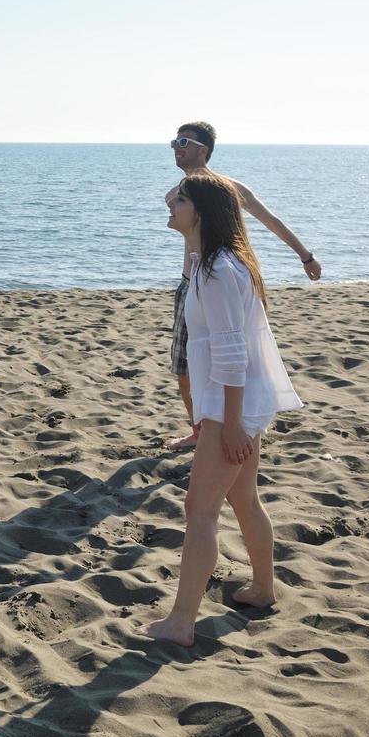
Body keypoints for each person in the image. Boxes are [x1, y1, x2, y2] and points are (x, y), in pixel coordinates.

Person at [142, 173, 303, 646]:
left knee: (200, 509)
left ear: (204, 213)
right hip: (239, 403)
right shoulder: (208, 262)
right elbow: (174, 203)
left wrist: (231, 425)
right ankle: (262, 588)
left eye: (182, 201)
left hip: (234, 407)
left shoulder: (216, 271)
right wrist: (192, 201)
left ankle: (181, 622)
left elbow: (233, 353)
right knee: (243, 499)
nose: (170, 206)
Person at [165, 122, 320, 449]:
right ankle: (199, 432)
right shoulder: (184, 191)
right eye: (173, 141)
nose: (175, 147)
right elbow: (172, 202)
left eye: (183, 141)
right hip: (189, 284)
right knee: (183, 365)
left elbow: (271, 221)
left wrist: (306, 257)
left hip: (218, 282)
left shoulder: (227, 189)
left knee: (232, 356)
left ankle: (230, 426)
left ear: (202, 149)